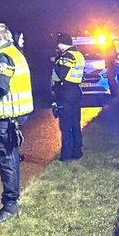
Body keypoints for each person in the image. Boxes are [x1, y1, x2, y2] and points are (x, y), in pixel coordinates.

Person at [0, 22, 34, 222]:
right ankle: (12, 203)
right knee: (10, 158)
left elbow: (1, 86)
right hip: (15, 116)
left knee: (6, 161)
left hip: (6, 116)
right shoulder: (15, 52)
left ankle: (10, 205)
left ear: (2, 38)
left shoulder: (2, 57)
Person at [52, 32, 85, 160]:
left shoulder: (67, 56)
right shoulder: (78, 54)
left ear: (61, 44)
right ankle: (77, 151)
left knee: (65, 124)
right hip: (76, 90)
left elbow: (61, 74)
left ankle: (66, 154)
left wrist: (56, 62)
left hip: (66, 91)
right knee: (75, 123)